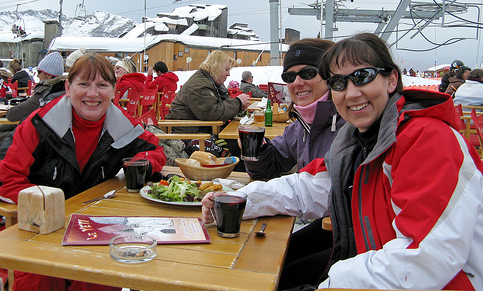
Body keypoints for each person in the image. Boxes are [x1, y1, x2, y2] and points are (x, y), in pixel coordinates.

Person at [202, 32, 483, 290]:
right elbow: (306, 188)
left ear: (392, 80)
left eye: (362, 76)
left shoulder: (428, 141)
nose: (351, 93)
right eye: (339, 82)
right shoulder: (358, 141)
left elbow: (426, 259)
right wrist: (237, 201)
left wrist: (333, 281)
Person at [0, 53, 166, 291]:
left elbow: (155, 150)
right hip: (38, 226)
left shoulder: (123, 126)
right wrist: (51, 208)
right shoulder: (41, 124)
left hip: (94, 228)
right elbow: (4, 179)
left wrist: (138, 164)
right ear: (68, 87)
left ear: (114, 91)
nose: (92, 94)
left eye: (102, 85)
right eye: (83, 84)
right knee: (41, 277)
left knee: (101, 275)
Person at [243, 39, 345, 181]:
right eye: (289, 77)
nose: (297, 82)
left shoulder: (351, 124)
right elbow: (268, 169)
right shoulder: (300, 126)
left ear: (330, 76)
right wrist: (259, 148)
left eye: (308, 73)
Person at [166, 50, 250, 134]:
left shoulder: (212, 83)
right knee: (246, 141)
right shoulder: (199, 85)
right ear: (216, 67)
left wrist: (239, 107)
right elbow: (212, 113)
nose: (228, 74)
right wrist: (238, 102)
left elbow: (221, 106)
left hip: (205, 129)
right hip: (192, 135)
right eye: (226, 69)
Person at [6, 51, 66, 123]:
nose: (37, 75)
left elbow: (12, 115)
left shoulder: (44, 92)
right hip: (51, 130)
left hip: (38, 132)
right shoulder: (63, 90)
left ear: (48, 75)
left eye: (39, 72)